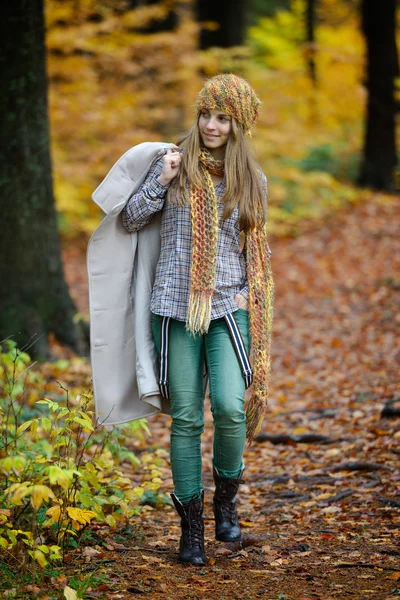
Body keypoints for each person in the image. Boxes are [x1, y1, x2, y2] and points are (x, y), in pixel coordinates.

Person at [121, 74, 274, 566]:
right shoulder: (173, 164)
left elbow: (255, 253)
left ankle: (226, 500)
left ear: (239, 125)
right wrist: (160, 181)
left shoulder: (253, 180)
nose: (211, 125)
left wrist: (255, 302)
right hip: (174, 305)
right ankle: (191, 532)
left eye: (223, 118)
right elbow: (130, 219)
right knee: (186, 418)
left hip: (229, 306)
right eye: (206, 114)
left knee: (230, 408)